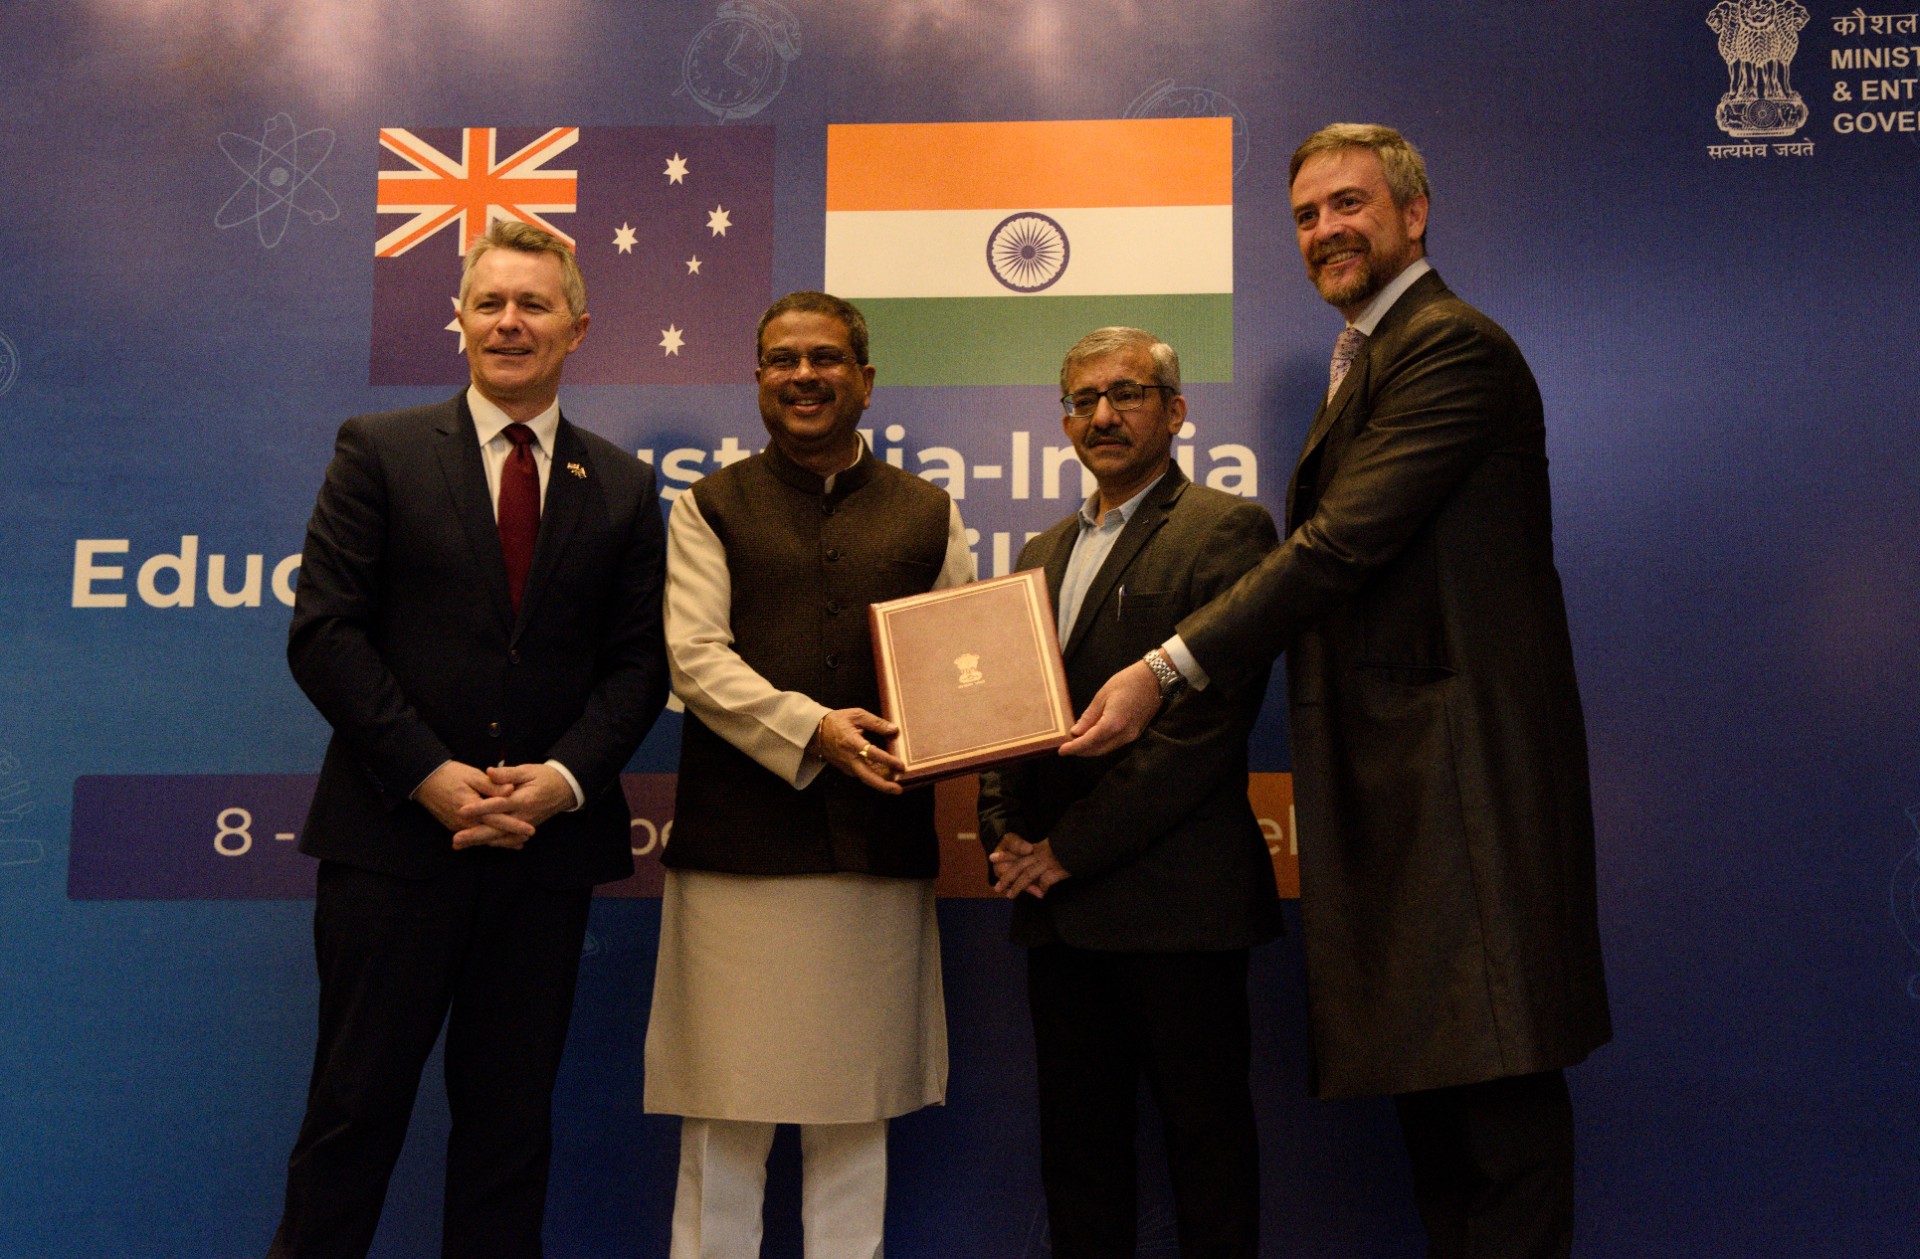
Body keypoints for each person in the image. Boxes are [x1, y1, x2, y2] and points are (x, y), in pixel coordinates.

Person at [1064, 125, 1611, 1259]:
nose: (1326, 231)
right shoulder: (1372, 354)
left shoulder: (1450, 345)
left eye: (1350, 205)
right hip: (1409, 793)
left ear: (1416, 214)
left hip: (1466, 787)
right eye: (1308, 215)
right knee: (1443, 1112)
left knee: (1497, 1115)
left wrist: (1165, 667)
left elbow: (1339, 546)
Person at [269, 220, 669, 1258]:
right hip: (393, 845)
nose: (509, 321)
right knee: (352, 1116)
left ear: (577, 327)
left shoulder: (623, 488)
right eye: (489, 301)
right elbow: (325, 634)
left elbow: (640, 666)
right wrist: (430, 776)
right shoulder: (381, 451)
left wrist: (564, 781)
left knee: (509, 1131)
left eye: (534, 304)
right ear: (458, 320)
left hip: (543, 861)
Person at [643, 291, 971, 1258]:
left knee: (853, 1115)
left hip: (875, 854)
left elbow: (960, 663)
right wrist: (814, 728)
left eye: (826, 358)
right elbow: (694, 659)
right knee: (724, 1118)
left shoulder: (929, 510)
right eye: (781, 360)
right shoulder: (710, 505)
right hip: (735, 860)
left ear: (865, 381)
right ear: (757, 382)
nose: (803, 376)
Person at [976, 328, 1281, 1259]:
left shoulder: (1227, 531)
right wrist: (1002, 828)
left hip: (1178, 910)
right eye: (1081, 399)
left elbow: (1201, 733)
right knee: (1078, 1159)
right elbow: (1005, 714)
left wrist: (1064, 847)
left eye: (1127, 394)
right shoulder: (1041, 547)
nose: (1101, 416)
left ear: (1176, 411)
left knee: (1208, 1154)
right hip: (1058, 914)